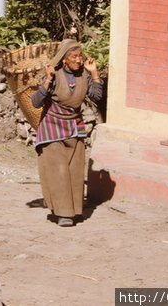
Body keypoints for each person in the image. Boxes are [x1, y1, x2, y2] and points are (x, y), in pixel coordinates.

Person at [31, 39, 103, 227]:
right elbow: (36, 102)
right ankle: (63, 213)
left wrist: (94, 72)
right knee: (59, 170)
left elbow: (96, 96)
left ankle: (75, 210)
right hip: (52, 126)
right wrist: (47, 80)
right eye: (74, 57)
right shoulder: (54, 75)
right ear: (64, 60)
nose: (79, 60)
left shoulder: (83, 76)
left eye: (80, 56)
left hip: (74, 126)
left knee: (75, 170)